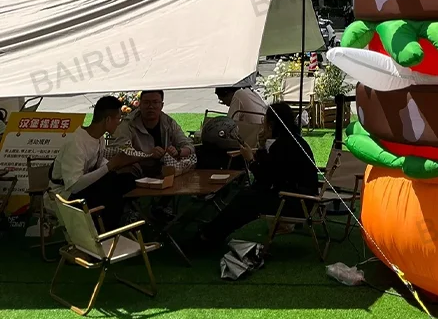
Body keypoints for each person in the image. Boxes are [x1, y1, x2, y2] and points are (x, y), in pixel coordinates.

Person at [198, 101, 320, 245]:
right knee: (247, 196)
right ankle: (211, 234)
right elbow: (271, 170)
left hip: (297, 202)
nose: (263, 125)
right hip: (299, 197)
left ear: (272, 124)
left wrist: (250, 160)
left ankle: (208, 237)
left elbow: (265, 178)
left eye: (265, 121)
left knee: (247, 200)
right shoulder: (293, 140)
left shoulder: (284, 145)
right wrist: (261, 147)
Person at [50, 96, 141, 230]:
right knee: (110, 192)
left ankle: (114, 225)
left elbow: (99, 165)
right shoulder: (76, 143)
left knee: (125, 180)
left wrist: (120, 163)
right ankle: (108, 231)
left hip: (83, 187)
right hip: (65, 193)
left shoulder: (99, 138)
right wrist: (110, 166)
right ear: (108, 120)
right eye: (118, 119)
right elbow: (74, 186)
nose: (119, 123)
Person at [111, 89, 194, 161]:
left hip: (164, 170)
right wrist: (147, 154)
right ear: (140, 105)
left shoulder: (169, 123)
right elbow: (119, 152)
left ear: (161, 105)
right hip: (137, 170)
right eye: (146, 103)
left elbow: (188, 145)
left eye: (155, 102)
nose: (151, 106)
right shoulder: (129, 124)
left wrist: (178, 151)